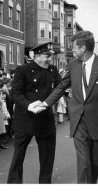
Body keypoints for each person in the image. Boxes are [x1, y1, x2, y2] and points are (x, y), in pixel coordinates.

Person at [38, 31, 98, 184]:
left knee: (96, 165)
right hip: (79, 122)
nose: (72, 50)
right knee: (83, 164)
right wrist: (44, 104)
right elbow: (62, 86)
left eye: (74, 47)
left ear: (83, 48)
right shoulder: (73, 65)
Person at [7, 42, 61, 184]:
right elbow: (15, 93)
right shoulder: (23, 70)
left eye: (50, 56)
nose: (49, 59)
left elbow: (59, 89)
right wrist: (28, 105)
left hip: (45, 119)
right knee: (18, 156)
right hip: (25, 119)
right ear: (36, 56)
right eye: (46, 56)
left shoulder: (53, 70)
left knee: (47, 157)